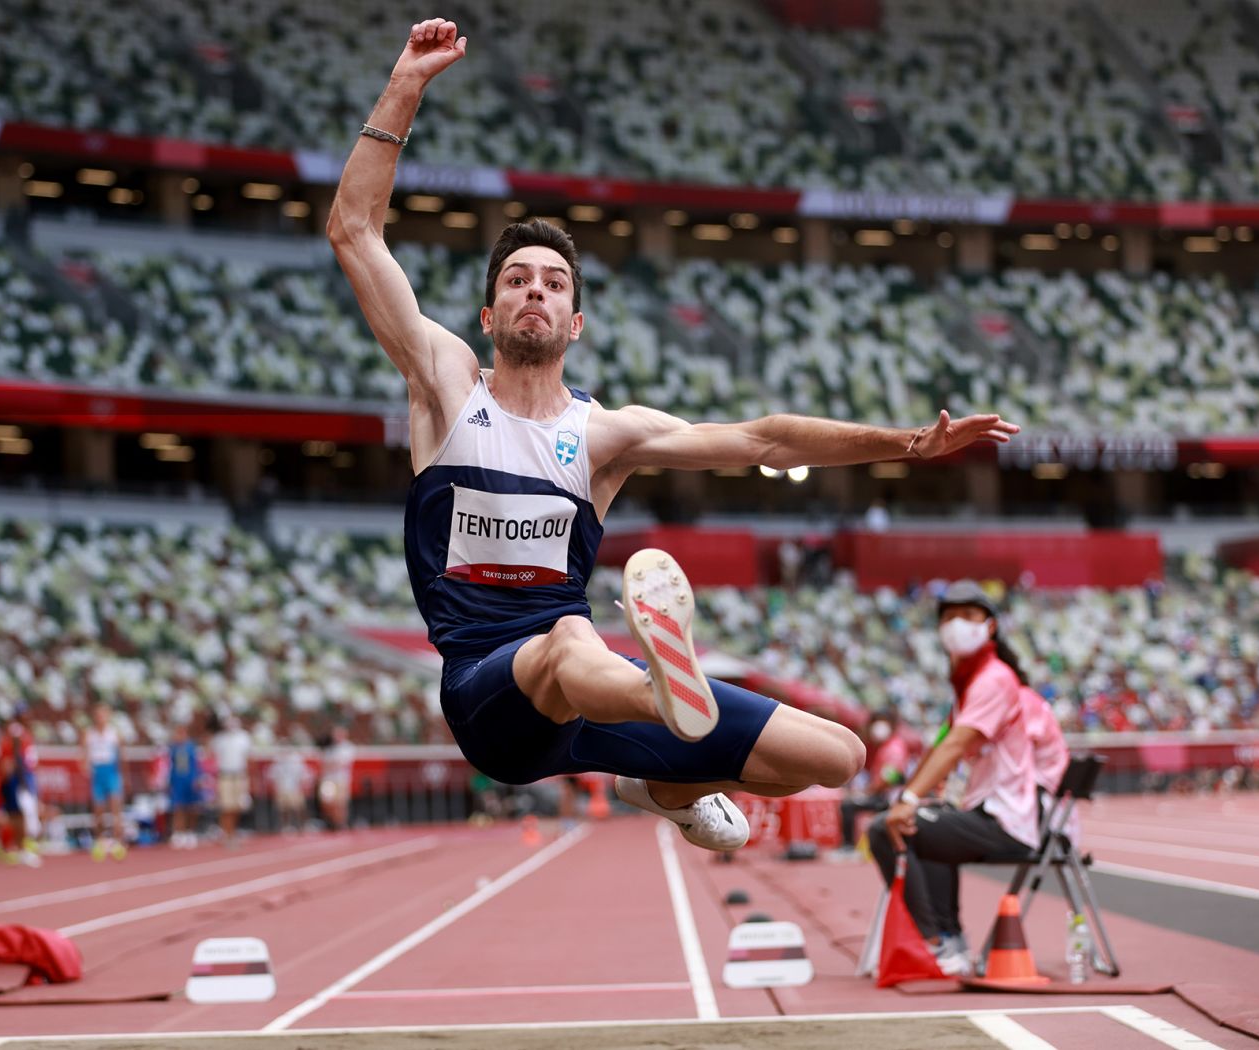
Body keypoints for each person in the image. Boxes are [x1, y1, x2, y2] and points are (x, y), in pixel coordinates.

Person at [327, 19, 1019, 853]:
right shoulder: (444, 386)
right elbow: (355, 231)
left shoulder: (605, 436)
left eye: (553, 283)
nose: (534, 293)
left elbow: (764, 442)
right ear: (488, 315)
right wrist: (407, 82)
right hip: (489, 695)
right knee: (572, 634)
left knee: (836, 754)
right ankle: (667, 697)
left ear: (575, 322)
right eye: (516, 282)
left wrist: (905, 444)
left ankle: (661, 780)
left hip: (594, 704)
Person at [867, 580, 1043, 975]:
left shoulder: (994, 679)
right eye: (948, 616)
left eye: (969, 615)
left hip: (1004, 820)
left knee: (887, 828)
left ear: (991, 626)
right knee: (920, 826)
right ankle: (950, 941)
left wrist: (907, 800)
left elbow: (956, 743)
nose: (957, 623)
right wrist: (921, 793)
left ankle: (936, 942)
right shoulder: (967, 685)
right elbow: (942, 743)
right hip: (983, 812)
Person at [838, 708, 911, 851]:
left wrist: (867, 793)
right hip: (883, 794)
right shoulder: (887, 746)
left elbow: (889, 777)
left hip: (888, 798)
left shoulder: (895, 747)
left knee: (848, 806)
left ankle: (848, 847)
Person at [0, 706, 42, 866]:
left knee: (18, 814)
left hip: (20, 776)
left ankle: (21, 848)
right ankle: (25, 849)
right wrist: (23, 780)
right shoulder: (16, 731)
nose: (28, 716)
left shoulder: (22, 731)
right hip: (19, 777)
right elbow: (16, 756)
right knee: (24, 814)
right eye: (25, 713)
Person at [83, 701, 126, 861]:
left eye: (103, 714)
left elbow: (122, 756)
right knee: (98, 811)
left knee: (116, 809)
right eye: (98, 714)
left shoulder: (114, 733)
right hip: (97, 772)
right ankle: (100, 842)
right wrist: (85, 767)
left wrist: (123, 775)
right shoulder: (89, 734)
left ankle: (118, 842)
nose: (101, 717)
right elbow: (83, 755)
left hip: (111, 772)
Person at [211, 713, 253, 844]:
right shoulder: (219, 739)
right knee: (226, 806)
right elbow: (213, 757)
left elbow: (248, 758)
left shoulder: (244, 737)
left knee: (237, 806)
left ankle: (232, 832)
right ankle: (226, 832)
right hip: (225, 775)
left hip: (239, 775)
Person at [168, 721, 201, 849]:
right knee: (178, 807)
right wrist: (170, 781)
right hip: (178, 780)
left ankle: (190, 832)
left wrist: (196, 779)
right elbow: (171, 766)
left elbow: (195, 765)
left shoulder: (191, 747)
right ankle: (178, 832)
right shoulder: (173, 748)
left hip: (190, 780)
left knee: (191, 807)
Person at [318, 726, 356, 831]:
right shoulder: (329, 747)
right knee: (327, 802)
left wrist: (331, 765)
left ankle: (341, 824)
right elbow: (323, 764)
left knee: (340, 803)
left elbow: (340, 764)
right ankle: (331, 822)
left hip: (341, 780)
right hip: (328, 779)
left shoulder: (348, 747)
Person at [269, 746, 310, 833]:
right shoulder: (278, 763)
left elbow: (303, 775)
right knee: (284, 809)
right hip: (282, 788)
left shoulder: (297, 762)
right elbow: (272, 776)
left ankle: (302, 826)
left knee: (299, 808)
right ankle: (286, 826)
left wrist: (302, 785)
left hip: (295, 788)